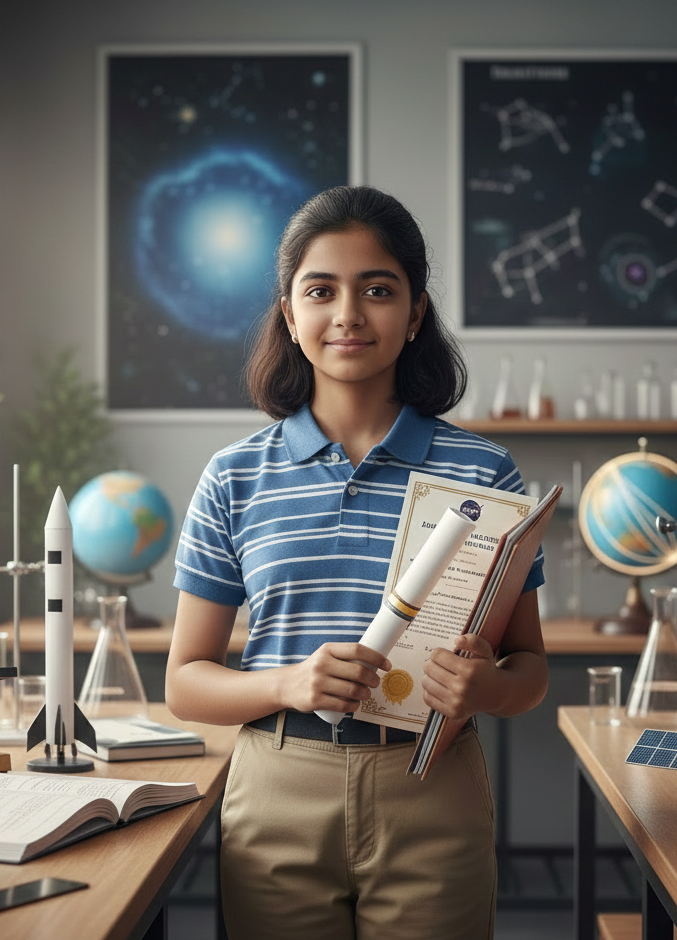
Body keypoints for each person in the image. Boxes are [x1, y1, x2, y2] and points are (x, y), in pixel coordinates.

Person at [167, 185, 547, 940]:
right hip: (276, 790)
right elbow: (185, 683)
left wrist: (490, 686)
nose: (348, 313)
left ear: (413, 315)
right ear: (289, 314)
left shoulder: (485, 471)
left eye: (378, 290)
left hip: (433, 788)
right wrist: (289, 682)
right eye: (321, 290)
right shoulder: (235, 475)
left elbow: (529, 669)